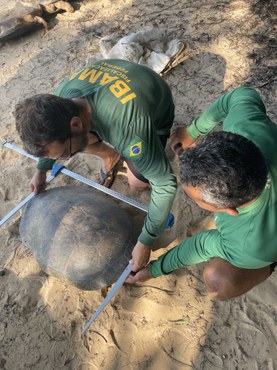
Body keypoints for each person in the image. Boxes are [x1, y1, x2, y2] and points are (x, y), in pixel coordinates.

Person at [15, 59, 177, 272]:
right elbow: (58, 145)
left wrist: (146, 240)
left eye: (64, 154)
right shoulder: (60, 102)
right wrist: (41, 170)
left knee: (136, 182)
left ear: (75, 123)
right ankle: (109, 156)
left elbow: (166, 184)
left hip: (155, 110)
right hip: (116, 93)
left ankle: (130, 148)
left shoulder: (128, 125)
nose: (65, 158)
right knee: (75, 142)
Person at [126, 86, 277, 300]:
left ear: (229, 210)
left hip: (265, 248)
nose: (195, 203)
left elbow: (200, 246)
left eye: (197, 200)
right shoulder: (250, 129)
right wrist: (193, 131)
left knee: (219, 282)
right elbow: (242, 94)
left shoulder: (246, 245)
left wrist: (153, 270)